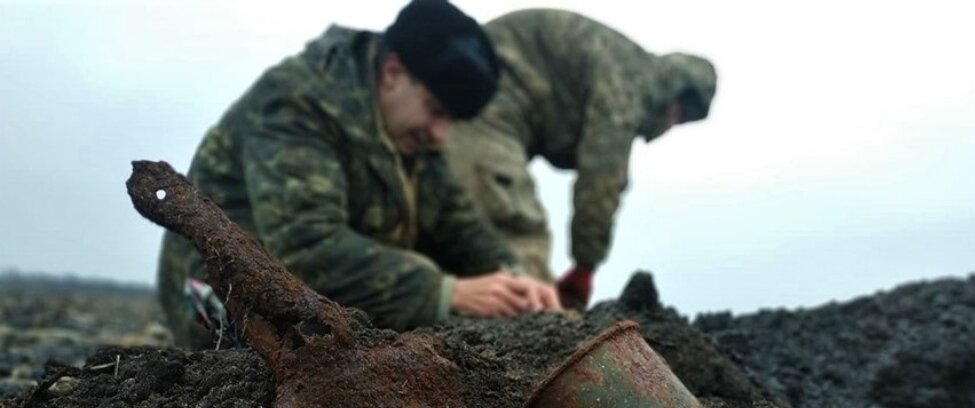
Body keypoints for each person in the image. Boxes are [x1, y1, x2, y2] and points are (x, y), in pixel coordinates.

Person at [155, 0, 562, 348]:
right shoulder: (298, 104)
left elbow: (457, 226)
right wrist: (444, 293)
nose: (441, 135)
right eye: (436, 110)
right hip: (225, 311)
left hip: (325, 310)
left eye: (451, 121)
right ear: (392, 72)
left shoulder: (410, 134)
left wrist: (514, 281)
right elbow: (306, 247)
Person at [442, 9, 718, 310]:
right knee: (516, 236)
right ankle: (539, 330)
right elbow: (601, 178)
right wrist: (584, 268)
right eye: (680, 116)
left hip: (476, 100)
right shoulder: (627, 83)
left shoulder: (624, 68)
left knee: (452, 230)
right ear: (676, 98)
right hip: (485, 107)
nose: (672, 126)